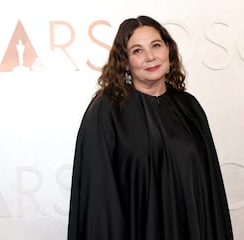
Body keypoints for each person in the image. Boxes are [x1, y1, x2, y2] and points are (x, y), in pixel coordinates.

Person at [67, 15, 233, 240]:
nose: (150, 57)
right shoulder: (106, 112)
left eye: (156, 45)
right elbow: (98, 199)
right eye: (137, 51)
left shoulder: (189, 107)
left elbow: (211, 190)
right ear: (124, 61)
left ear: (168, 49)